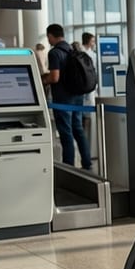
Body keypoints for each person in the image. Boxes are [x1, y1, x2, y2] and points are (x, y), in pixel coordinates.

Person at [41, 24, 92, 169]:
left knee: (65, 131)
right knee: (78, 129)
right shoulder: (72, 50)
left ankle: (69, 166)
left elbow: (54, 77)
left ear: (50, 36)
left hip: (62, 98)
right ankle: (87, 163)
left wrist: (43, 80)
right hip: (77, 96)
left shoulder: (54, 53)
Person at [77, 33, 98, 159]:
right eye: (93, 40)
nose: (94, 43)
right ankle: (88, 153)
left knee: (82, 123)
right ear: (88, 41)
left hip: (84, 92)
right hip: (89, 91)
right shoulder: (91, 55)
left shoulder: (82, 54)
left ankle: (86, 153)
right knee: (85, 123)